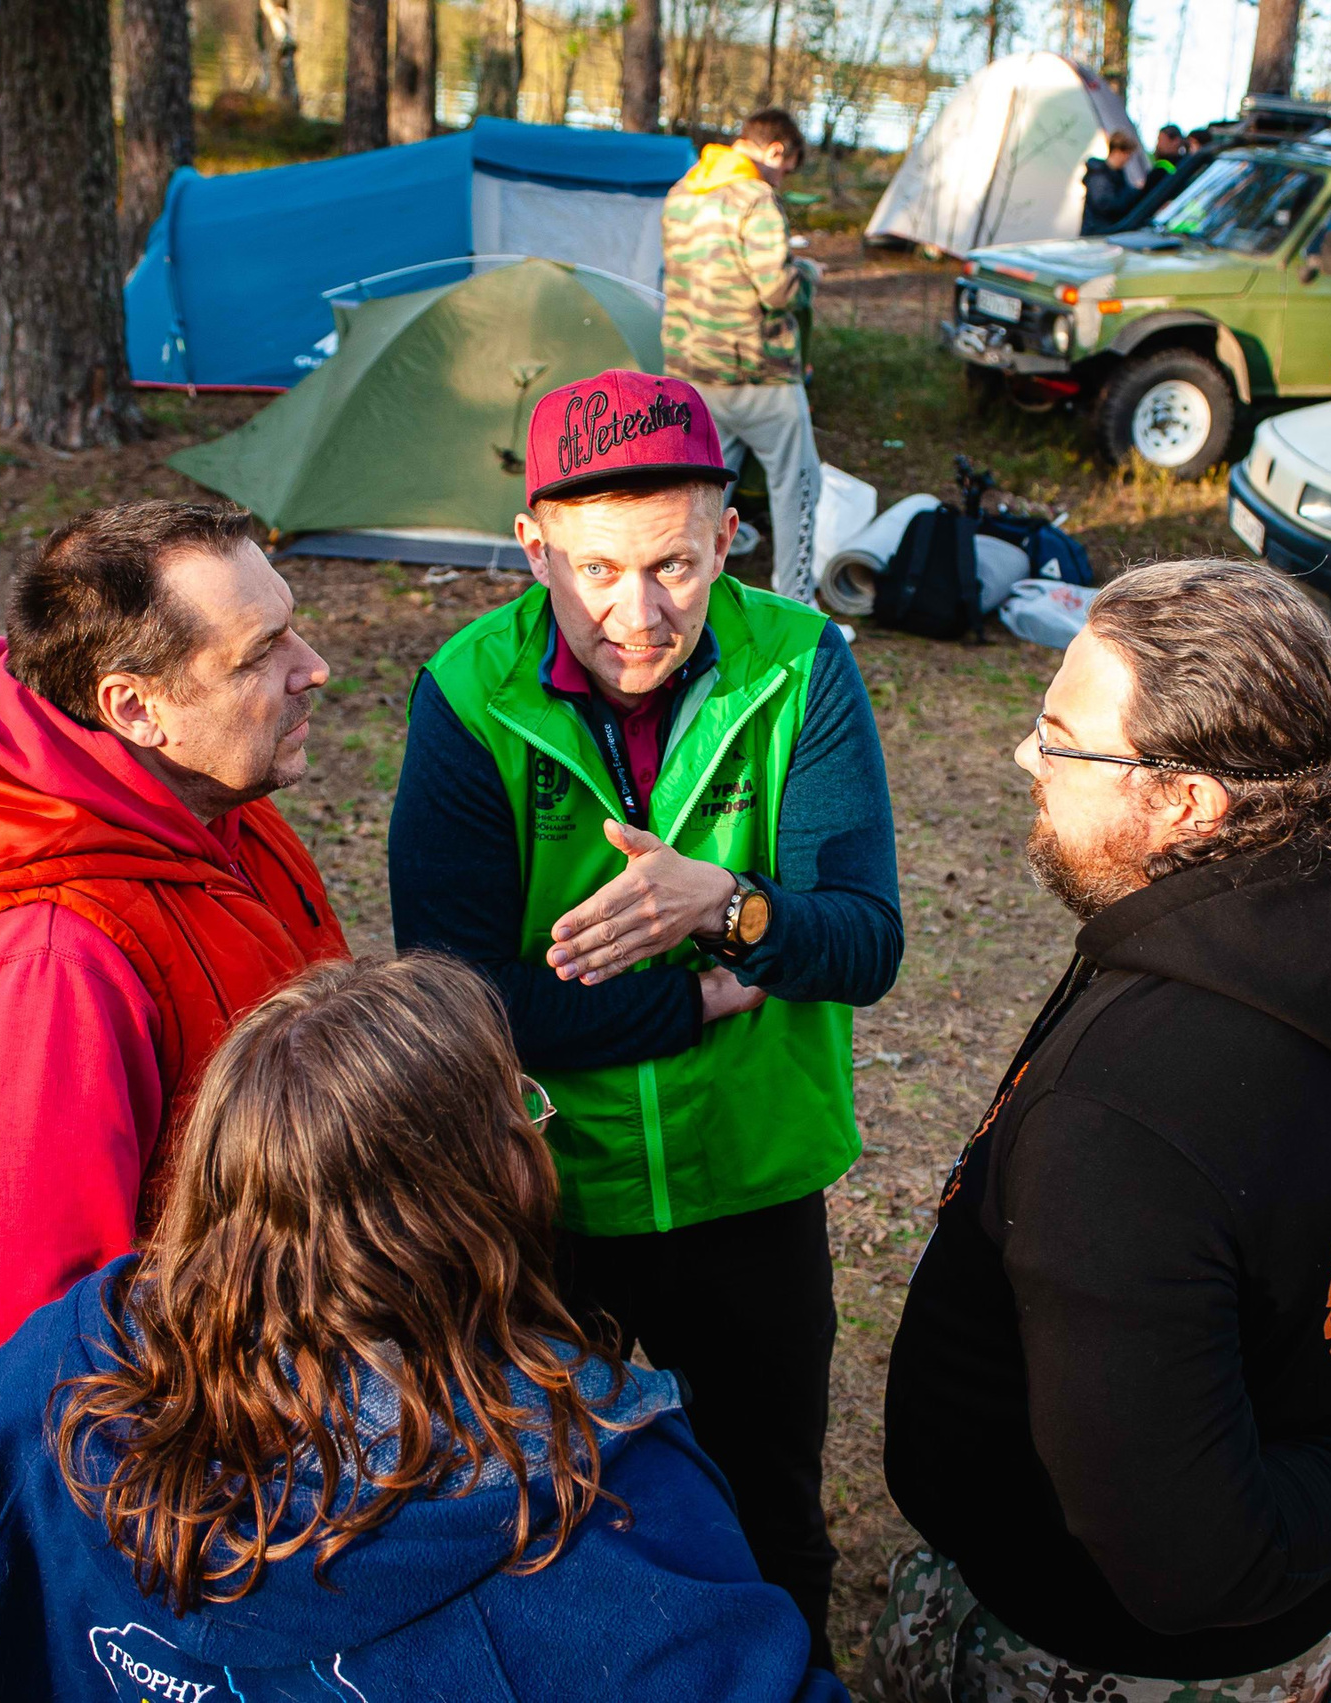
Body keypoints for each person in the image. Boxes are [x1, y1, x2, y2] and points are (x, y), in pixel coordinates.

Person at [0, 954, 847, 1703]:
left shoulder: (65, 1365)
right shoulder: (589, 1506)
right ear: (468, 1197)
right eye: (518, 1112)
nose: (535, 1133)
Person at [873, 560, 1331, 1703]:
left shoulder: (1122, 1118)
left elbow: (1190, 1559)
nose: (1024, 756)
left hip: (1092, 1638)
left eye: (1061, 739)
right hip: (1283, 1590)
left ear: (1188, 800)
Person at [387, 369, 902, 1665]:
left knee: (771, 1510)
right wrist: (696, 994)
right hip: (548, 1199)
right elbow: (454, 1006)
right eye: (597, 569)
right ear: (533, 547)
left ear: (728, 535)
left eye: (674, 564)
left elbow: (864, 942)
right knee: (562, 1519)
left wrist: (725, 903)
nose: (638, 612)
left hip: (754, 1185)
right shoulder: (467, 694)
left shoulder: (801, 664)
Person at [0, 499, 345, 1412]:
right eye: (260, 654)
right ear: (134, 706)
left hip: (303, 1371)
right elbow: (46, 1354)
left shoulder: (207, 798)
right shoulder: (43, 971)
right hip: (211, 1446)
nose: (314, 667)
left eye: (291, 627)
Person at [660, 105, 827, 603]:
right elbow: (776, 288)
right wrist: (808, 276)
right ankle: (798, 606)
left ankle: (685, 601)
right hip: (759, 375)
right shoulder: (755, 197)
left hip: (692, 374)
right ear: (774, 150)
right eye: (785, 168)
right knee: (799, 490)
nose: (782, 179)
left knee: (700, 501)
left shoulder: (683, 190)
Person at [1081, 130, 1146, 233]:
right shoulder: (1099, 175)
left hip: (1107, 231)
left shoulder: (1118, 174)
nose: (1128, 159)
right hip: (1098, 234)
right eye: (1127, 154)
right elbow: (1106, 205)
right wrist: (1134, 192)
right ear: (1117, 151)